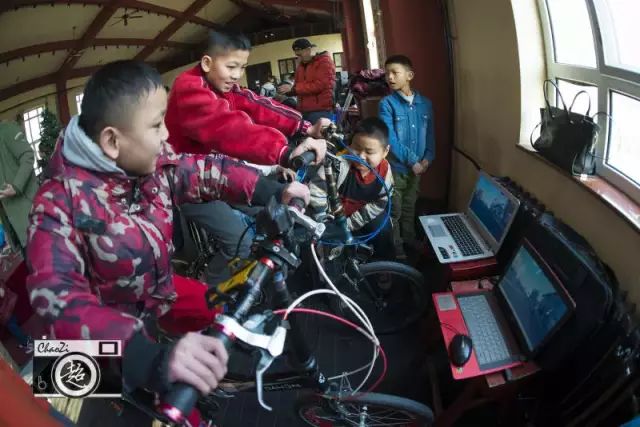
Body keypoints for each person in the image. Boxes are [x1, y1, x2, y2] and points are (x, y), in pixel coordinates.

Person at [25, 60, 310, 424]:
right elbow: (59, 299)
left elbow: (203, 171)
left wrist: (274, 191)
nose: (166, 137)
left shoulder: (148, 164)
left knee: (229, 319)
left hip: (149, 295)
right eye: (157, 125)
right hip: (84, 349)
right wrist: (150, 359)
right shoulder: (55, 205)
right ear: (112, 140)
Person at [164, 30, 328, 286]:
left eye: (242, 67)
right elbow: (230, 128)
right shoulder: (189, 90)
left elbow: (255, 104)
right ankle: (209, 297)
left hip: (221, 177)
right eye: (231, 66)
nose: (237, 75)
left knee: (274, 212)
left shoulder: (221, 85)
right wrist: (283, 152)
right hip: (192, 186)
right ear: (207, 63)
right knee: (240, 241)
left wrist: (305, 127)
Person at [308, 117, 395, 259]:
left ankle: (384, 266)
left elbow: (380, 202)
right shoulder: (337, 164)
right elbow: (316, 192)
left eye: (369, 152)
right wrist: (325, 221)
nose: (360, 156)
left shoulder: (384, 173)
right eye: (356, 148)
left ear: (385, 152)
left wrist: (350, 224)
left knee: (384, 230)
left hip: (360, 214)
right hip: (331, 217)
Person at [379, 55, 435, 259]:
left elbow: (430, 136)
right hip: (397, 169)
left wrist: (428, 158)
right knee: (395, 209)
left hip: (418, 169)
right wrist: (413, 161)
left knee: (411, 206)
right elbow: (390, 139)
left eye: (395, 73)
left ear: (409, 75)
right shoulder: (387, 104)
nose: (390, 77)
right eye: (387, 73)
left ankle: (409, 238)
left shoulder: (425, 104)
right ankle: (396, 245)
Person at [0, 119, 39, 252]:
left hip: (27, 212)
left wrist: (16, 186)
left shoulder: (7, 130)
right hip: (10, 220)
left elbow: (27, 155)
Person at [278, 38, 336, 123]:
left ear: (308, 50)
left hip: (320, 111)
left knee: (321, 135)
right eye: (297, 56)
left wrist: (294, 89)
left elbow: (321, 85)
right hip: (303, 112)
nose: (299, 58)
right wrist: (287, 91)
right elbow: (298, 88)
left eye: (300, 55)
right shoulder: (300, 67)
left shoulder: (324, 62)